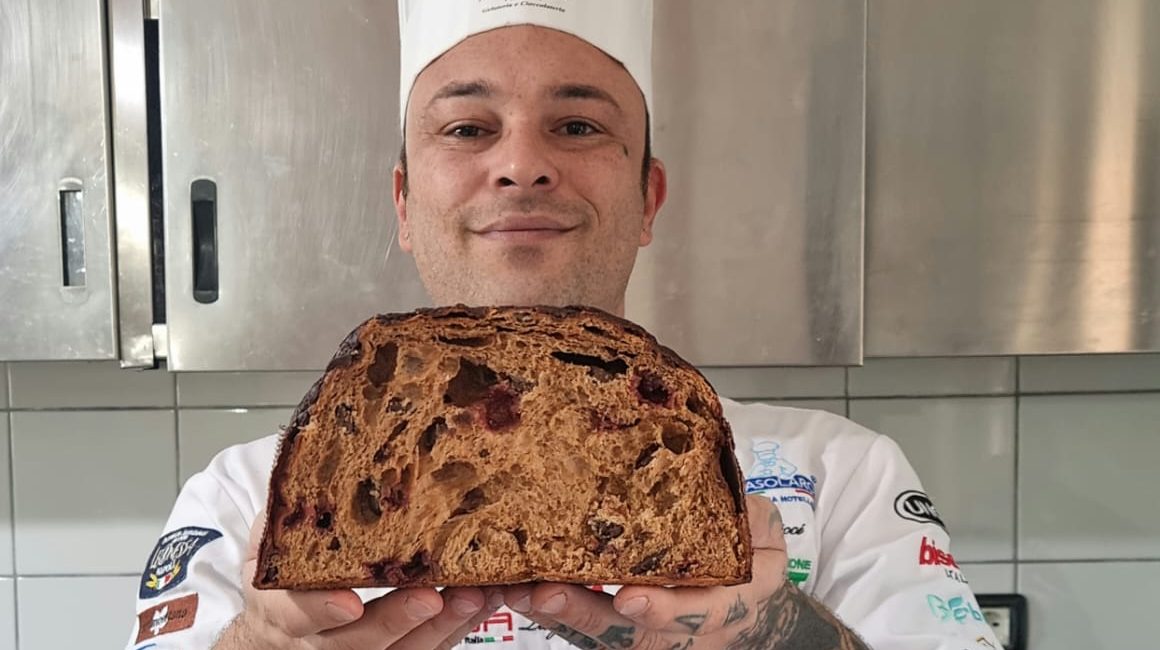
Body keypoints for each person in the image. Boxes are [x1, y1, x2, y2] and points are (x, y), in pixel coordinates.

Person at [126, 1, 1003, 648]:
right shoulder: (252, 502)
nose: (521, 165)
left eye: (577, 125)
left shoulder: (841, 475)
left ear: (647, 198)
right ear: (403, 203)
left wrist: (776, 633)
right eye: (467, 128)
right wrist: (261, 646)